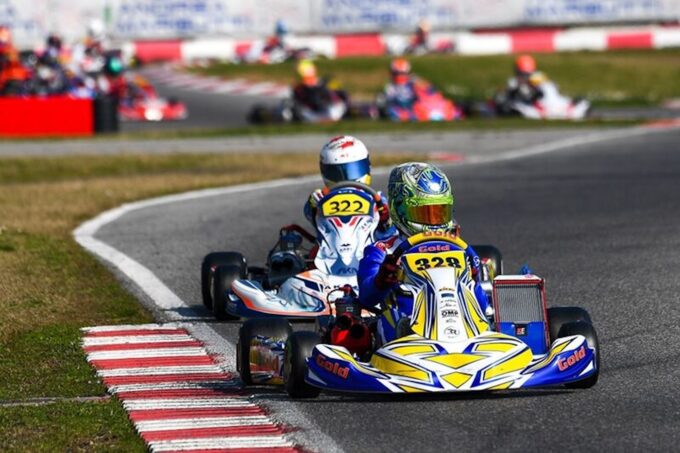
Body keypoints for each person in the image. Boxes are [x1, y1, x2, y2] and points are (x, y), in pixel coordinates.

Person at [357, 162, 490, 343]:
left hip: (459, 321)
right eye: (423, 213)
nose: (433, 222)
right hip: (407, 330)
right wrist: (381, 280)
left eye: (439, 212)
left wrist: (473, 282)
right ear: (399, 209)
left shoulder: (459, 248)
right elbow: (366, 297)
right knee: (389, 322)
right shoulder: (383, 251)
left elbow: (482, 306)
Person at [304, 135, 392, 237]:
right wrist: (313, 204)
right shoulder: (322, 199)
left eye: (353, 169)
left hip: (370, 245)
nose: (347, 179)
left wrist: (385, 212)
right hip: (329, 247)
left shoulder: (376, 199)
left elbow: (389, 225)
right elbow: (309, 214)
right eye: (336, 173)